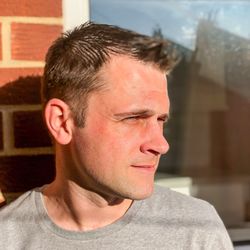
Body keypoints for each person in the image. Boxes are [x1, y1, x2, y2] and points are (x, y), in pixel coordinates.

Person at [0, 22, 233, 249]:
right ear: (62, 122)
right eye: (133, 118)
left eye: (160, 120)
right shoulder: (8, 238)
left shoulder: (195, 230)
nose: (161, 145)